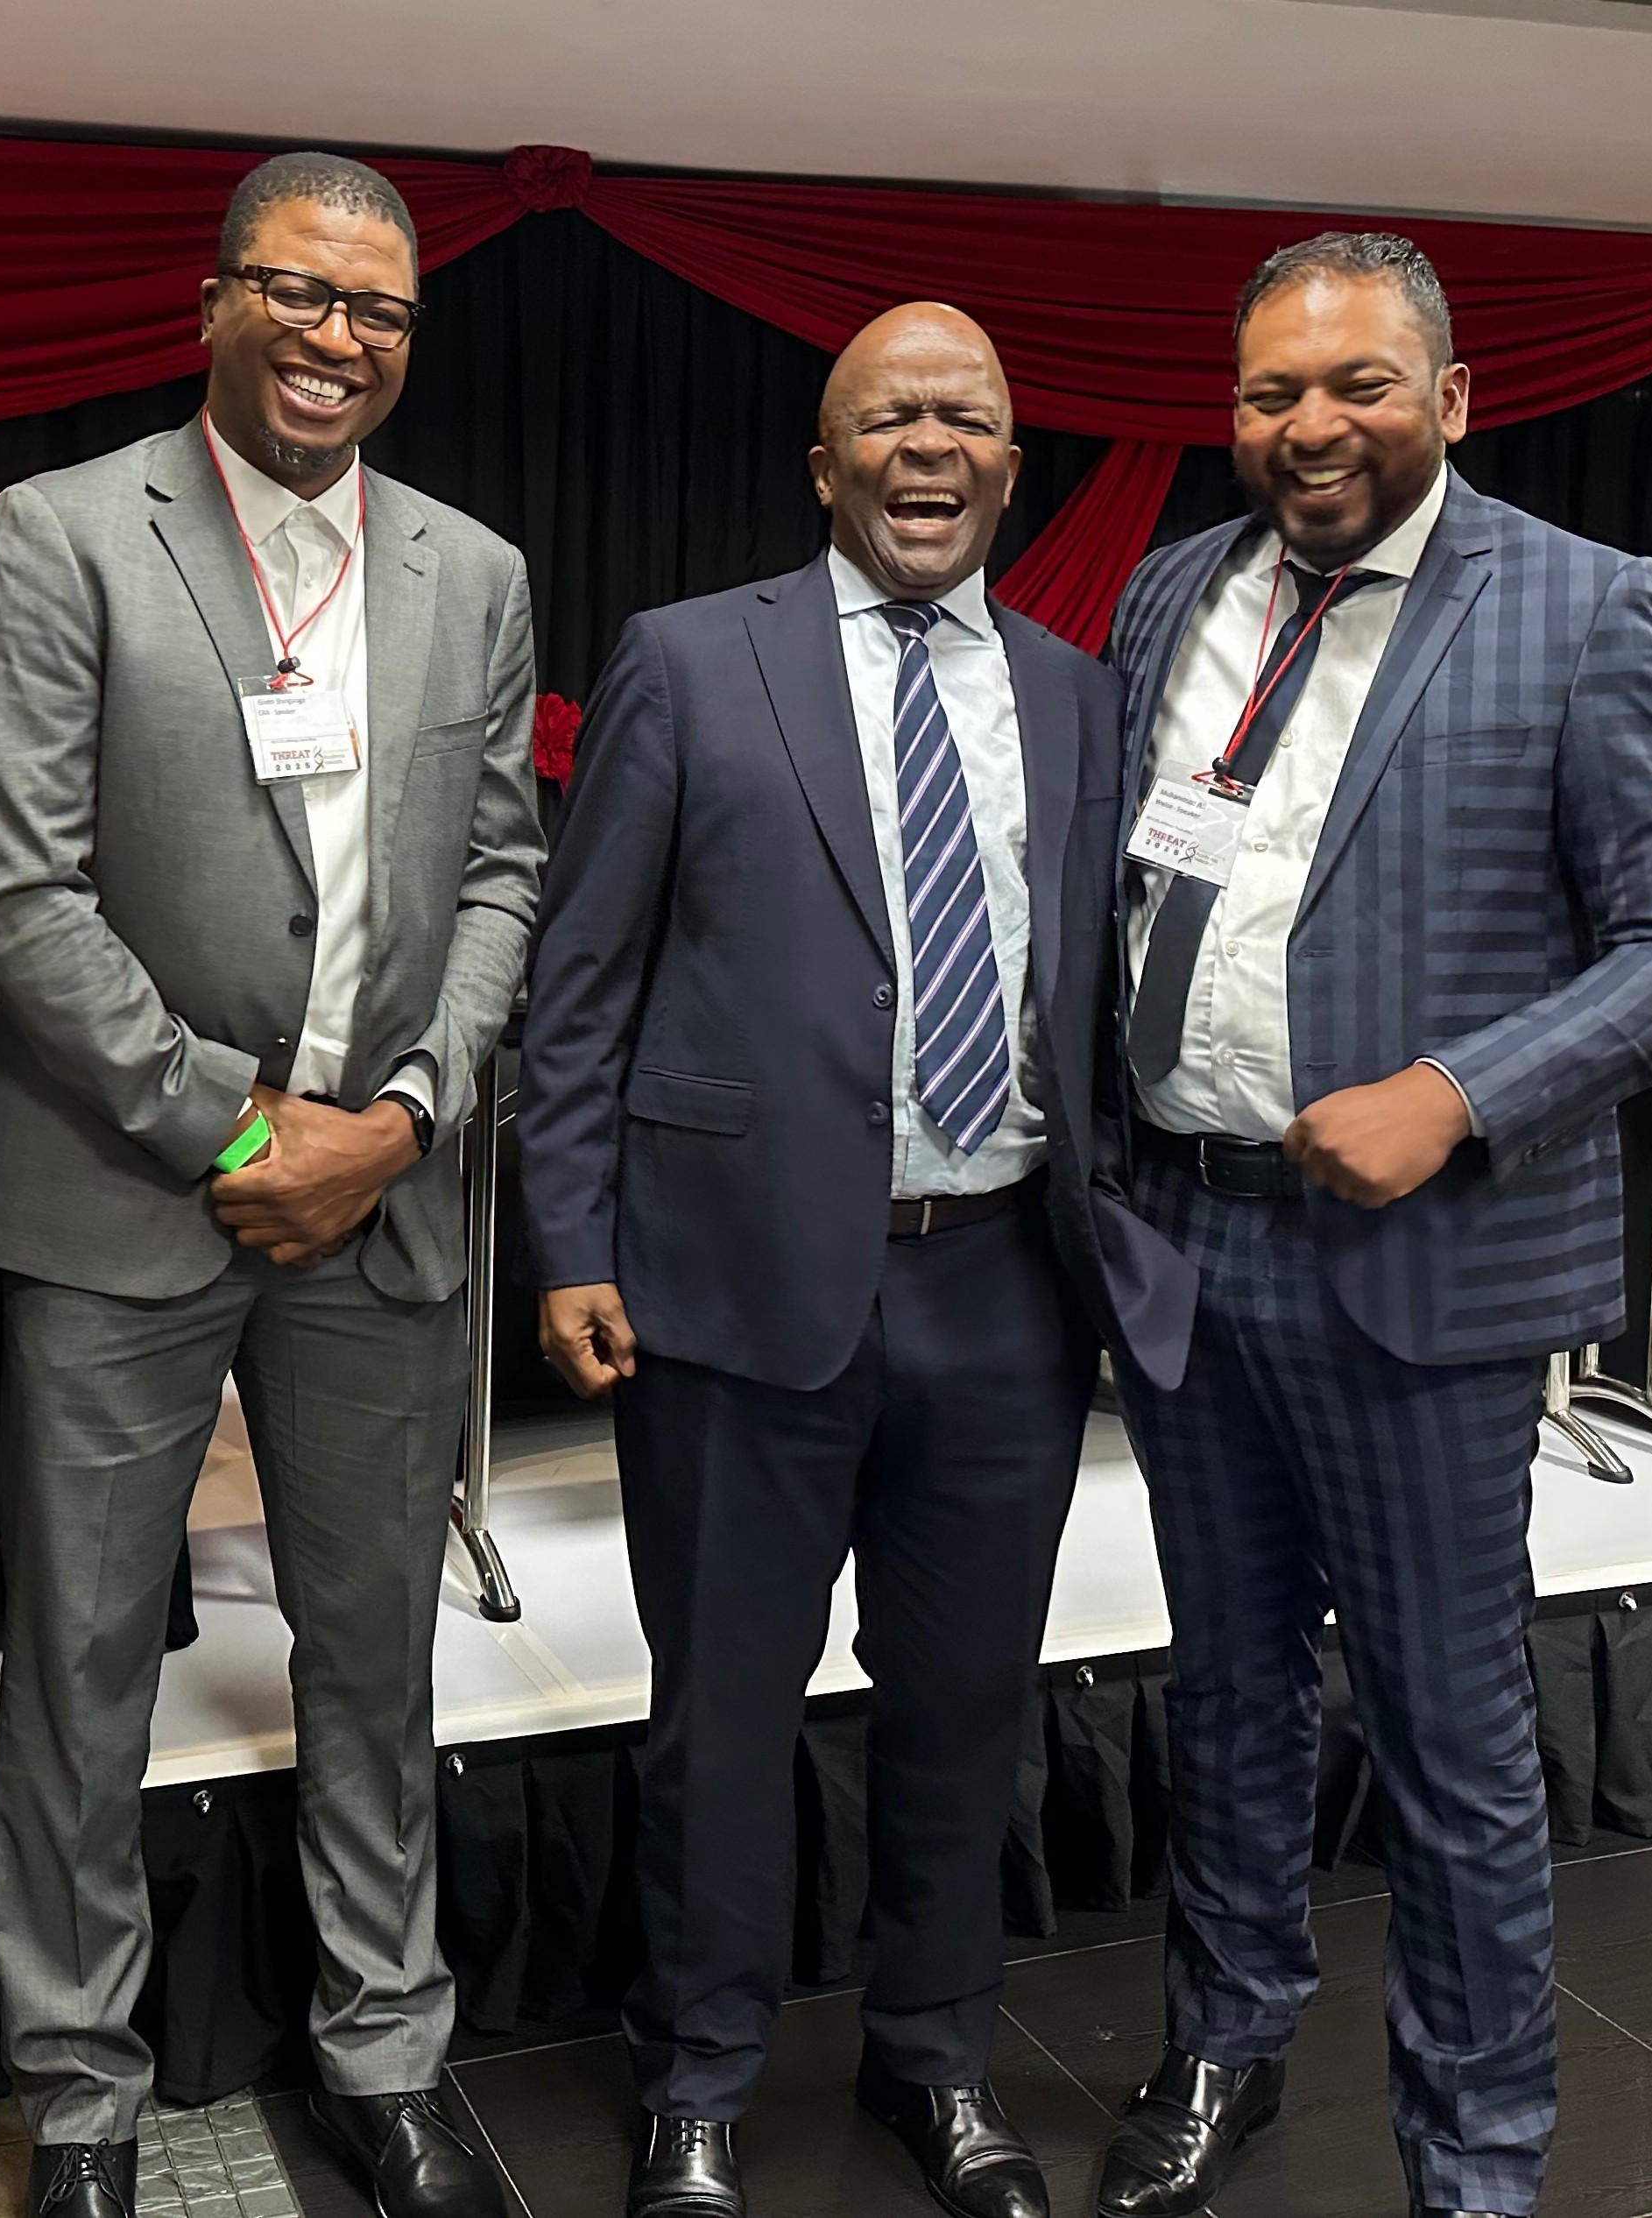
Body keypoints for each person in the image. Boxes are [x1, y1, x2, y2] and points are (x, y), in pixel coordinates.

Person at [1091, 233, 1652, 2218]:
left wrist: (1454, 1095)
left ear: (1450, 398)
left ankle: (1473, 2160)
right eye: (1270, 392)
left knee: (1442, 1734)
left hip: (1415, 1276)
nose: (1310, 425)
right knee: (1225, 1688)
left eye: (1357, 384)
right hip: (1185, 1243)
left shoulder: (1588, 606)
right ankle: (1222, 2043)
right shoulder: (1169, 594)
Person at [521, 303, 1196, 2218]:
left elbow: (1091, 993)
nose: (927, 447)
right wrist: (567, 1235)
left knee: (964, 1707)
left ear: (1010, 466)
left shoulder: (1074, 695)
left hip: (1001, 1286)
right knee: (721, 1715)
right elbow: (580, 982)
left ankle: (936, 2060)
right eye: (888, 418)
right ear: (823, 466)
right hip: (729, 1287)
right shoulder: (686, 660)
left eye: (964, 418)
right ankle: (698, 2081)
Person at [0, 151, 542, 2218]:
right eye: (295, 291)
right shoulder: (63, 533)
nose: (333, 336)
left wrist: (407, 1112)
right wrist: (233, 1126)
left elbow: (500, 872)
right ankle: (80, 2099)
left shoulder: (471, 570)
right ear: (212, 302)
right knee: (83, 1658)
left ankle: (386, 2049)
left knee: (373, 1653)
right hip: (121, 1190)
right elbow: (16, 889)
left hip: (382, 1193)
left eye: (375, 309)